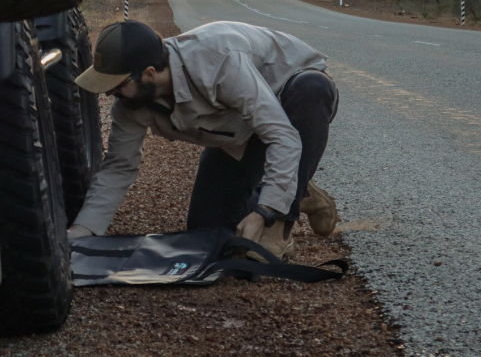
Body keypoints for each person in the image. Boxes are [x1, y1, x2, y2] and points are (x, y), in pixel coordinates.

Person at [67, 19, 340, 257]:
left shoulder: (217, 60)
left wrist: (266, 212)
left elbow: (282, 136)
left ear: (149, 74)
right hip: (239, 135)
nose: (108, 94)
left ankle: (281, 222)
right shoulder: (130, 103)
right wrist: (83, 231)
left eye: (116, 85)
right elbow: (118, 167)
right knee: (207, 233)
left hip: (289, 107)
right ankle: (298, 188)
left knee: (311, 89)